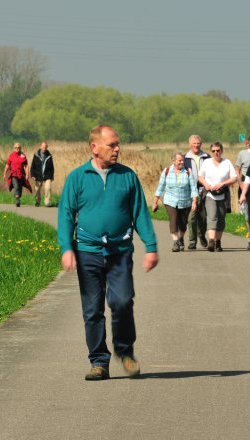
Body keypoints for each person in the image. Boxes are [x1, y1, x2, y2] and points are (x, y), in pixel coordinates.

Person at [57, 125, 158, 381]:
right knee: (92, 308)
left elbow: (140, 214)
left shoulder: (127, 177)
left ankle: (125, 353)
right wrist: (67, 248)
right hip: (88, 251)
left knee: (122, 301)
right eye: (112, 145)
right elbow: (66, 215)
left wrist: (151, 246)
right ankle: (99, 361)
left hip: (120, 251)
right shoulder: (78, 177)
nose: (117, 149)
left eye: (117, 144)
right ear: (95, 147)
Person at [152, 151, 198, 252]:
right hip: (170, 201)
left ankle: (181, 238)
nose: (182, 162)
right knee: (173, 219)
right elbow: (161, 187)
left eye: (183, 160)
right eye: (179, 160)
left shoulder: (188, 171)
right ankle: (176, 242)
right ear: (173, 161)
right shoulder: (167, 171)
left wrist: (194, 201)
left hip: (185, 201)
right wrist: (155, 202)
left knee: (183, 224)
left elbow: (193, 188)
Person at [197, 142, 237, 252]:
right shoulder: (207, 163)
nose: (216, 153)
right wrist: (206, 185)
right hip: (210, 194)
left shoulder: (227, 162)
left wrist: (223, 183)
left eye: (218, 150)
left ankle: (218, 242)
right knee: (212, 215)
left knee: (221, 218)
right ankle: (211, 241)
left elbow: (234, 178)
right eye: (213, 151)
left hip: (223, 194)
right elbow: (200, 176)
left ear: (222, 151)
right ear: (211, 152)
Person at [184, 134, 211, 250]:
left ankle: (201, 235)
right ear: (189, 144)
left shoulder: (207, 157)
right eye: (194, 143)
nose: (196, 146)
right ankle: (192, 241)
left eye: (198, 143)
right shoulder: (185, 158)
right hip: (190, 191)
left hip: (204, 190)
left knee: (204, 217)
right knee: (191, 217)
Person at [3, 143, 31, 207]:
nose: (17, 149)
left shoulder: (23, 155)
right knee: (16, 186)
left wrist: (27, 174)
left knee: (20, 188)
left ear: (20, 148)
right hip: (14, 174)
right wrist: (4, 173)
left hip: (21, 174)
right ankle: (17, 199)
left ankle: (18, 197)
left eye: (18, 148)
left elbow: (26, 165)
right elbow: (7, 165)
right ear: (14, 148)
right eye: (16, 148)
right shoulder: (11, 155)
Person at [30, 141, 54, 207]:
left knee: (48, 188)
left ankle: (47, 202)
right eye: (43, 147)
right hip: (38, 176)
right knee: (37, 189)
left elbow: (52, 167)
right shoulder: (36, 155)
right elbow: (33, 166)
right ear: (40, 147)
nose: (44, 148)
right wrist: (33, 175)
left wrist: (51, 176)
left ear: (47, 147)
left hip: (47, 175)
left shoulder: (49, 156)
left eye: (45, 147)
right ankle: (37, 201)